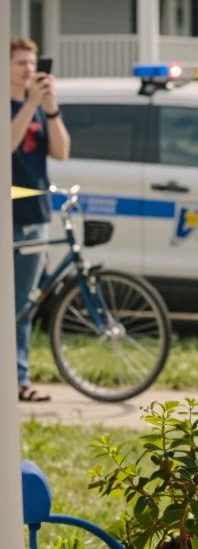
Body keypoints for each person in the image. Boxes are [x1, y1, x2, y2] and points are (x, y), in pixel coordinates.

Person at [10, 38, 70, 403]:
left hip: (36, 216)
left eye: (33, 63)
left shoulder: (38, 107)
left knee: (23, 304)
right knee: (12, 304)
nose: (29, 70)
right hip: (10, 216)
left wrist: (50, 108)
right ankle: (16, 378)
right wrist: (30, 103)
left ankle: (18, 377)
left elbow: (62, 152)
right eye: (20, 63)